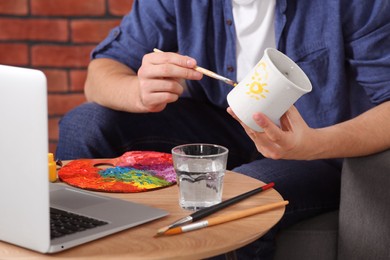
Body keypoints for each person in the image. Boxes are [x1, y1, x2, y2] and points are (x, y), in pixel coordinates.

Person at [56, 0, 390, 258]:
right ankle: (74, 246)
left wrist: (311, 144)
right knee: (83, 124)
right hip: (218, 126)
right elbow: (100, 73)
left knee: (228, 201)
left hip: (315, 150)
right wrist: (137, 91)